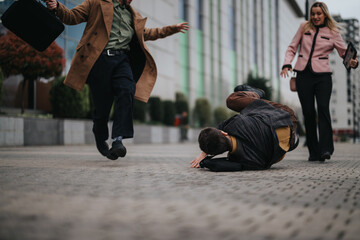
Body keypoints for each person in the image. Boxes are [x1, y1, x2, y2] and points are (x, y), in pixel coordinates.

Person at [44, 0, 189, 160]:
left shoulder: (133, 14)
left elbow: (147, 33)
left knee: (127, 90)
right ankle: (100, 136)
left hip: (122, 60)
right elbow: (72, 16)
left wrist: (172, 29)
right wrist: (57, 6)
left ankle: (118, 140)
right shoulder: (96, 3)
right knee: (102, 108)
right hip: (100, 61)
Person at [280, 2, 358, 162]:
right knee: (308, 113)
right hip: (303, 76)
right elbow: (292, 47)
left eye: (319, 14)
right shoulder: (304, 27)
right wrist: (287, 63)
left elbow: (344, 53)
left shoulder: (333, 32)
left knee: (323, 109)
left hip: (323, 77)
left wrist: (352, 62)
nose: (315, 16)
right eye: (313, 13)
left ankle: (325, 149)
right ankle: (313, 152)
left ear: (324, 15)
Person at [191, 85, 299, 172]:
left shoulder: (247, 162)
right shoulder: (237, 123)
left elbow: (221, 165)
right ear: (224, 133)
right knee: (232, 100)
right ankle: (256, 94)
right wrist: (204, 152)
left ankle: (293, 137)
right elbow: (222, 127)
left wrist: (205, 161)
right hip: (285, 116)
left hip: (289, 140)